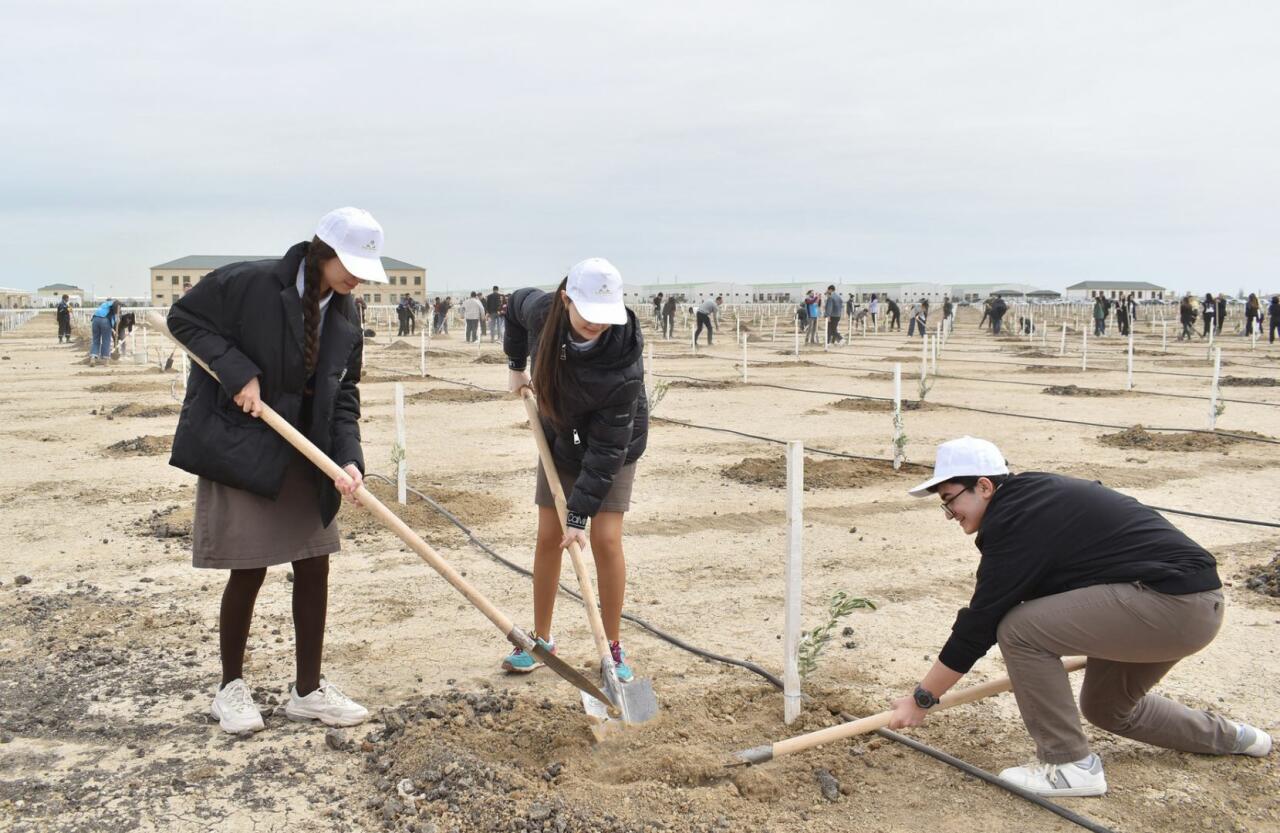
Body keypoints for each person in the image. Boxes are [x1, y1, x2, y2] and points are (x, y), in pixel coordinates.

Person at [888, 436, 1272, 797]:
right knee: (1108, 708)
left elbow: (981, 622)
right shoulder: (1036, 499)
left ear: (984, 486)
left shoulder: (1016, 518)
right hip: (1188, 607)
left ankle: (1069, 765)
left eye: (949, 500)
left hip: (1170, 605)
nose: (948, 514)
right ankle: (1237, 737)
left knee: (1019, 630)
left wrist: (923, 698)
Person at [167, 206, 388, 734]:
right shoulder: (251, 283)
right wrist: (237, 372)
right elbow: (183, 319)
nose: (357, 279)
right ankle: (230, 688)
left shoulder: (346, 315)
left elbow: (344, 396)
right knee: (249, 566)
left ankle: (307, 691)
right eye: (351, 265)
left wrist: (349, 458)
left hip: (306, 449)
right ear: (323, 252)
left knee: (314, 563)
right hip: (244, 442)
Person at [501, 257, 648, 683]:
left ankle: (611, 648)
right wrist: (516, 366)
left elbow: (605, 451)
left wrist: (580, 514)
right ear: (566, 300)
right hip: (561, 435)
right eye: (588, 315)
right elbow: (514, 306)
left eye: (606, 316)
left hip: (613, 445)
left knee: (605, 539)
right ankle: (540, 640)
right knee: (550, 535)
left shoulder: (623, 363)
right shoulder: (543, 312)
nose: (597, 325)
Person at [89, 299, 119, 366]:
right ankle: (106, 361)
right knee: (106, 340)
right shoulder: (115, 307)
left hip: (95, 320)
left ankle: (93, 358)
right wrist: (114, 329)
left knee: (95, 340)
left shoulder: (104, 305)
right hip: (105, 321)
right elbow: (114, 321)